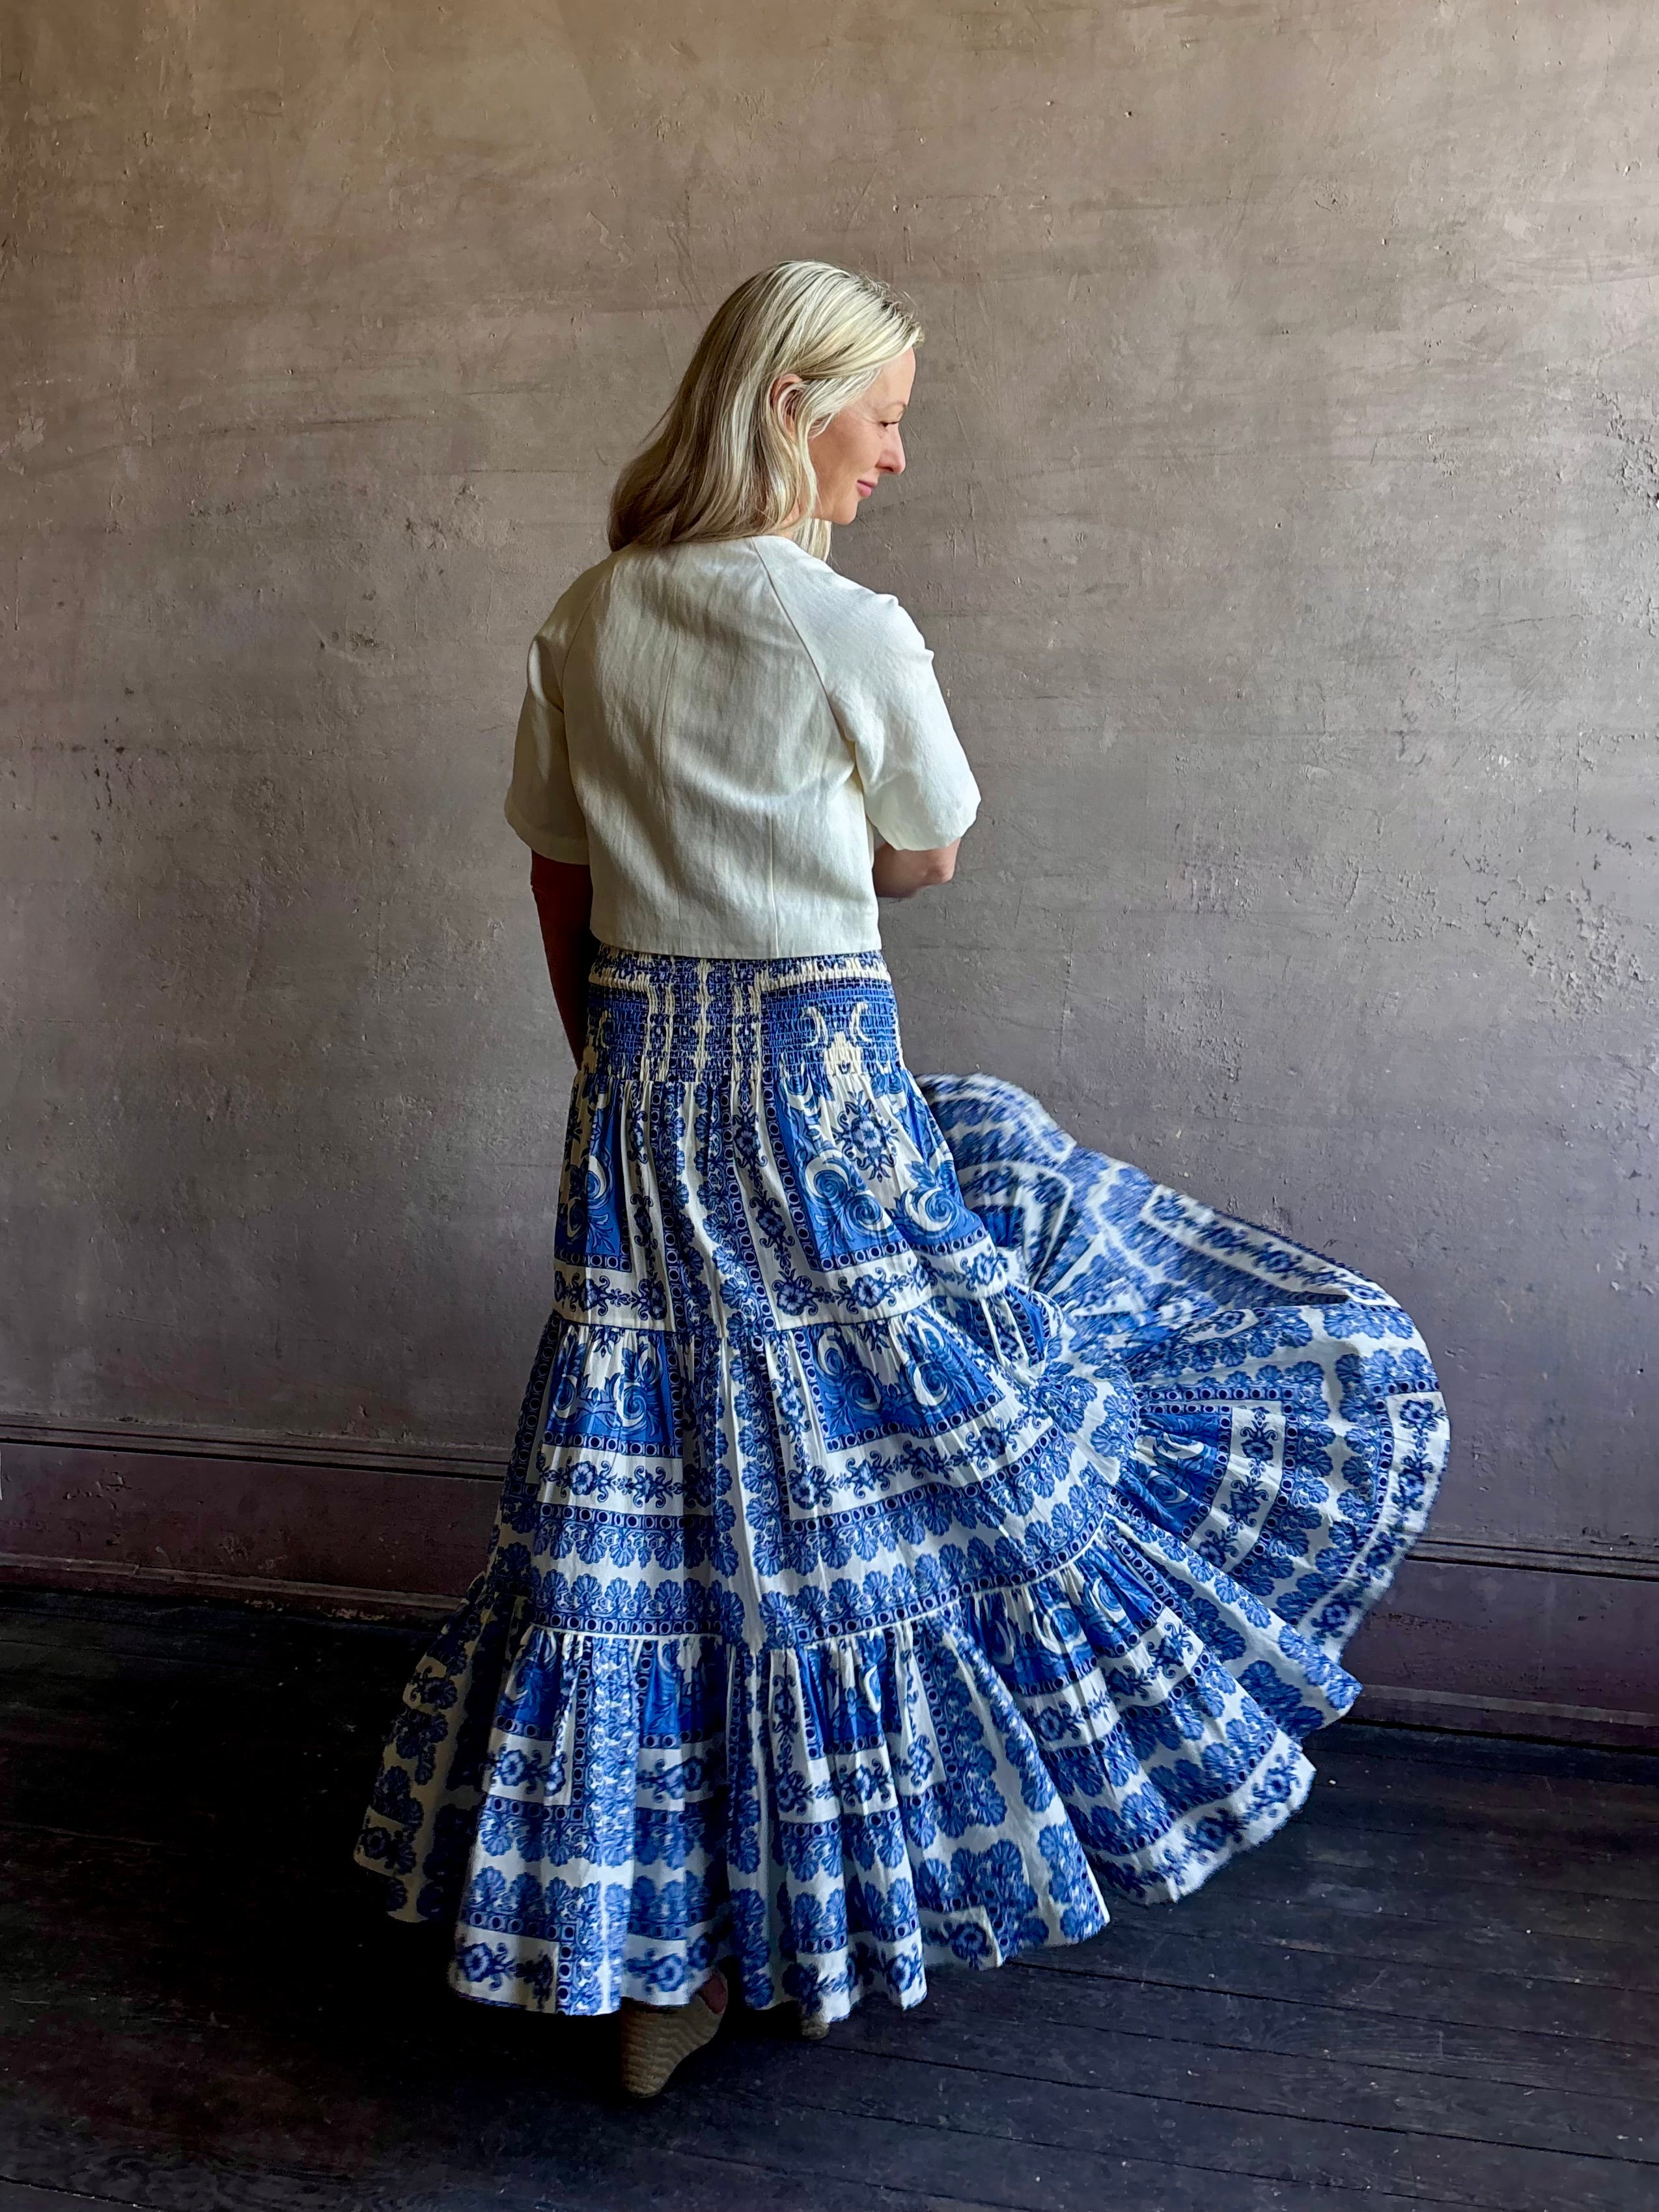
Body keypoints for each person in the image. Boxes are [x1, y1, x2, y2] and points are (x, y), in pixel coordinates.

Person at [355, 260, 1447, 2098]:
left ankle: (660, 1974)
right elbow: (925, 856)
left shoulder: (587, 613)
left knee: (669, 1496)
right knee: (901, 1460)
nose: (898, 452)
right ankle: (823, 1918)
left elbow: (559, 876)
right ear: (790, 404)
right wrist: (815, 840)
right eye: (881, 413)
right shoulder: (844, 628)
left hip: (638, 1077)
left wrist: (610, 1064)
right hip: (816, 1075)